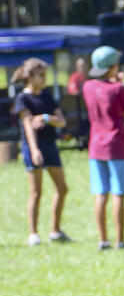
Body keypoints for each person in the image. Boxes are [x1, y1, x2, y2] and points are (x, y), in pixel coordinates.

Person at [12, 58, 70, 246]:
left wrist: (46, 118)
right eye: (41, 76)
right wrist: (34, 150)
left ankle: (55, 231)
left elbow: (61, 121)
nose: (44, 79)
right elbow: (28, 126)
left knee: (62, 188)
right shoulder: (23, 98)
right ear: (30, 77)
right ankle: (33, 234)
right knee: (36, 192)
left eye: (45, 75)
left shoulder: (47, 96)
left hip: (50, 145)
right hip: (33, 147)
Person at [83, 45, 124, 250]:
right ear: (113, 66)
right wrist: (118, 82)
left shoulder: (87, 86)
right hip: (116, 145)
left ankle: (103, 240)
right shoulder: (118, 88)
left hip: (95, 146)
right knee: (118, 193)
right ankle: (120, 240)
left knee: (100, 193)